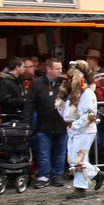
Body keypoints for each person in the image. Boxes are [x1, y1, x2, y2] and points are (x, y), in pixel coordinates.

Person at [55, 61, 104, 199]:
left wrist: (76, 124)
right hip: (73, 130)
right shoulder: (70, 95)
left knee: (77, 159)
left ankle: (81, 187)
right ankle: (96, 175)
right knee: (73, 159)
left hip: (85, 130)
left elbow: (91, 114)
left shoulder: (88, 93)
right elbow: (66, 112)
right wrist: (61, 108)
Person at [23, 57, 67, 189]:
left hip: (61, 123)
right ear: (48, 69)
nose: (60, 71)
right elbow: (30, 104)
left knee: (60, 152)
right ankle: (43, 175)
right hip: (44, 123)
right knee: (43, 151)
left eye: (61, 68)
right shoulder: (37, 84)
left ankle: (57, 175)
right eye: (57, 68)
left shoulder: (64, 83)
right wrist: (26, 121)